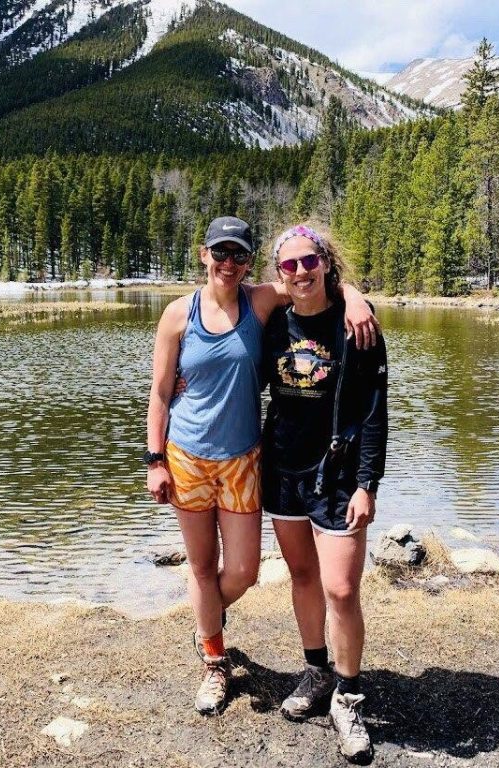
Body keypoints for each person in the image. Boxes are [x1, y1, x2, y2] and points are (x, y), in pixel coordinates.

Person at [145, 216, 378, 717]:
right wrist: (154, 459)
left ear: (249, 262)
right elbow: (161, 392)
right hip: (186, 456)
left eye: (239, 255)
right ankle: (214, 658)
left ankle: (206, 619)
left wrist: (357, 297)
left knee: (246, 571)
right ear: (204, 254)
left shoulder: (260, 301)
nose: (229, 263)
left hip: (247, 458)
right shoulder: (177, 315)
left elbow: (316, 279)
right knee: (204, 567)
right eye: (220, 253)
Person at [261, 223, 387, 764]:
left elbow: (374, 410)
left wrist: (367, 483)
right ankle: (316, 671)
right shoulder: (272, 324)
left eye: (309, 261)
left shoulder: (357, 326)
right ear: (279, 275)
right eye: (288, 266)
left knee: (340, 587)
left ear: (326, 263)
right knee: (304, 576)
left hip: (336, 476)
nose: (300, 272)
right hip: (283, 470)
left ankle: (349, 695)